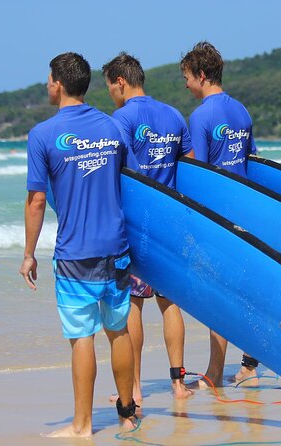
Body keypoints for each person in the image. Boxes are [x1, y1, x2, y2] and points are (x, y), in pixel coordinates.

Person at [19, 52, 137, 437]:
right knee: (118, 329)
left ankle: (83, 425)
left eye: (49, 79)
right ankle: (127, 412)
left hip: (75, 254)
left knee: (81, 336)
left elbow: (37, 200)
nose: (47, 85)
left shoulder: (42, 135)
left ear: (58, 84)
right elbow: (135, 188)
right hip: (117, 249)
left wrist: (28, 254)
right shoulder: (113, 127)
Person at [102, 52, 195, 403]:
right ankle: (177, 384)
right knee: (170, 302)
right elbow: (190, 168)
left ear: (121, 82)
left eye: (110, 85)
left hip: (138, 227)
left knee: (134, 306)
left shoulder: (121, 119)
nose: (111, 92)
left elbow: (122, 173)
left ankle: (136, 389)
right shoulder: (173, 114)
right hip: (171, 223)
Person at [180, 41, 260, 387]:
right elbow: (250, 161)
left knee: (218, 296)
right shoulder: (242, 111)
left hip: (217, 218)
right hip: (247, 212)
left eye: (187, 77)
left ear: (201, 75)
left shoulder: (201, 115)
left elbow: (199, 172)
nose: (185, 85)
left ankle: (214, 373)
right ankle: (250, 364)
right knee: (244, 291)